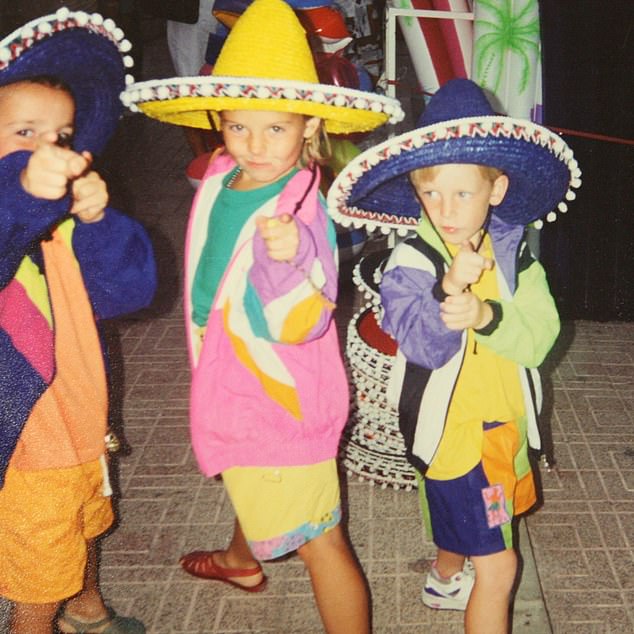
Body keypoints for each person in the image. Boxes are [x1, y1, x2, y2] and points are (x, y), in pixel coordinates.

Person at [122, 0, 403, 631]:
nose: (254, 145)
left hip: (280, 392)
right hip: (228, 368)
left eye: (275, 129)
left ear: (308, 127)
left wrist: (289, 260)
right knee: (248, 467)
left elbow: (300, 318)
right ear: (219, 121)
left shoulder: (302, 214)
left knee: (318, 539)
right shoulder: (224, 174)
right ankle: (239, 558)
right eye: (239, 126)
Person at [326, 78, 581, 633]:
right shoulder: (411, 262)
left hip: (504, 425)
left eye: (462, 193)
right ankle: (459, 576)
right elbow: (418, 339)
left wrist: (488, 317)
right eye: (430, 193)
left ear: (495, 189)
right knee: (499, 562)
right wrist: (447, 293)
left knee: (475, 517)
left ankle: (443, 578)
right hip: (456, 437)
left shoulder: (514, 253)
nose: (444, 210)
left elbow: (541, 338)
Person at [0, 10, 156, 634]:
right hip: (29, 435)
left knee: (88, 511)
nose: (49, 149)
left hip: (81, 407)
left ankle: (88, 610)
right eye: (24, 131)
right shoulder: (19, 210)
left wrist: (99, 223)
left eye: (60, 134)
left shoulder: (59, 211)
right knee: (41, 566)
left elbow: (128, 293)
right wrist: (23, 193)